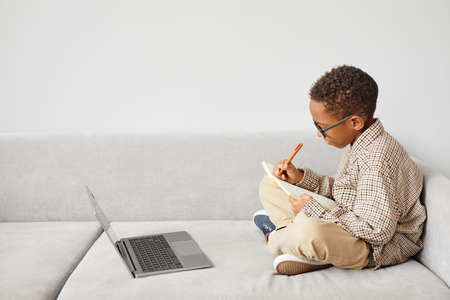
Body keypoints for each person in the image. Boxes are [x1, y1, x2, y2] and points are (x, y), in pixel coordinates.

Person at [253, 65, 426, 275]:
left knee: (310, 231)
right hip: (348, 219)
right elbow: (345, 192)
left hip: (370, 246)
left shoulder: (377, 160)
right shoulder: (361, 142)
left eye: (322, 127)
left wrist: (313, 210)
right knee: (270, 184)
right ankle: (302, 243)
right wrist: (299, 179)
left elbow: (377, 232)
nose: (318, 134)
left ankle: (279, 236)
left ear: (355, 122)